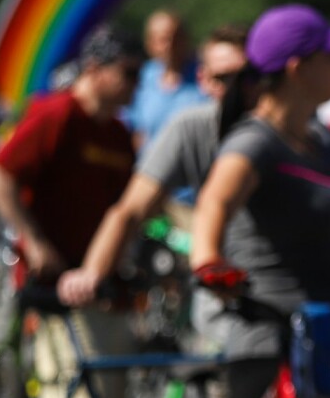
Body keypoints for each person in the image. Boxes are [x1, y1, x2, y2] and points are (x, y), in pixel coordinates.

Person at [189, 4, 330, 398]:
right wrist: (208, 260)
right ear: (297, 68)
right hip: (273, 344)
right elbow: (215, 201)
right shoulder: (255, 140)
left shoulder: (322, 141)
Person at [0, 25, 141, 398]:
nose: (137, 84)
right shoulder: (58, 114)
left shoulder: (117, 133)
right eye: (129, 72)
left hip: (99, 286)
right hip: (56, 288)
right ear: (96, 69)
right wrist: (34, 240)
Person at [57, 24, 247, 307]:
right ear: (204, 79)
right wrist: (92, 273)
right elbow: (130, 210)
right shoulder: (190, 123)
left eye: (245, 78)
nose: (234, 89)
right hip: (182, 211)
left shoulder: (299, 132)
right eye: (223, 78)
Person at [128, 9, 204, 150]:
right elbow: (130, 125)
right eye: (163, 39)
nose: (170, 46)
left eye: (176, 38)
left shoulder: (204, 76)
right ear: (149, 43)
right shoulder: (139, 77)